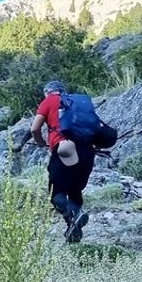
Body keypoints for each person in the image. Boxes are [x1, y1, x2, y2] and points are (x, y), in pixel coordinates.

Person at [30, 81, 94, 243]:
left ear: (47, 92)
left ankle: (76, 215)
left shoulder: (48, 101)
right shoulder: (77, 101)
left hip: (65, 148)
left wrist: (42, 143)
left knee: (56, 193)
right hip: (87, 150)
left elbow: (35, 129)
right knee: (74, 191)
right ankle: (74, 236)